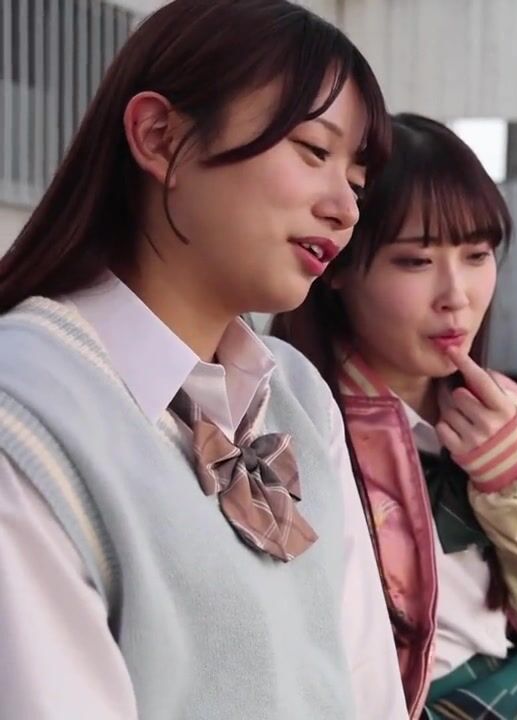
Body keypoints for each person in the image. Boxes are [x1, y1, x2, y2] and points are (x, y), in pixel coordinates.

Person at [0, 1, 407, 717]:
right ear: (159, 137)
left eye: (358, 180)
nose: (346, 208)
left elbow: (366, 688)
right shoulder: (27, 417)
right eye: (313, 151)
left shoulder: (298, 398)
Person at [272, 113, 517, 719]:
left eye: (477, 255)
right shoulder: (286, 422)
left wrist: (516, 478)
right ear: (336, 264)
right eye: (415, 261)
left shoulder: (507, 414)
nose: (456, 295)